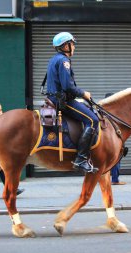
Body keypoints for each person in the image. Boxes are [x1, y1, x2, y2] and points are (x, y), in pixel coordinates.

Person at [46, 32, 99, 173]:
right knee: (93, 120)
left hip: (53, 98)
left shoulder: (54, 59)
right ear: (65, 45)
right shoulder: (64, 61)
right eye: (72, 44)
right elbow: (67, 87)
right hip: (62, 101)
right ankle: (81, 159)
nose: (74, 47)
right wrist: (83, 93)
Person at [104, 93, 126, 185]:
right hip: (113, 139)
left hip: (103, 140)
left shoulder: (101, 110)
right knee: (116, 158)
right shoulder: (115, 111)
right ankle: (115, 180)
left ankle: (105, 179)